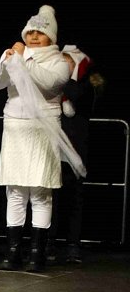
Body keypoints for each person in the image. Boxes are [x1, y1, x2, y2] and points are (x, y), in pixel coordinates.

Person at [0, 5, 85, 273]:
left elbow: (48, 83)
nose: (33, 36)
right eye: (30, 32)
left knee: (40, 191)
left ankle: (37, 251)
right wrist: (6, 61)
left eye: (39, 33)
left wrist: (23, 60)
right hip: (15, 126)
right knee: (15, 191)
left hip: (42, 129)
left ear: (50, 37)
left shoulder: (59, 61)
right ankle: (13, 251)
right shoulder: (15, 55)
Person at [48, 46, 103, 264]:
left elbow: (77, 95)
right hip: (54, 147)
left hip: (76, 147)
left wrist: (68, 79)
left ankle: (73, 245)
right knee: (51, 197)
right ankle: (48, 243)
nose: (63, 65)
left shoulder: (87, 85)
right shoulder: (54, 83)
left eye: (68, 62)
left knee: (74, 198)